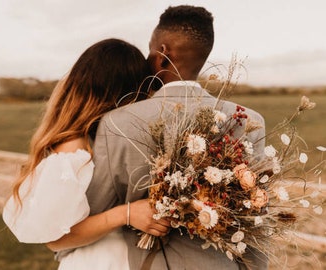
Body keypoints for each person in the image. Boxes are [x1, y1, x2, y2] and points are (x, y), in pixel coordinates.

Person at [87, 5, 268, 270]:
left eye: (150, 52)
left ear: (162, 55)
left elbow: (96, 211)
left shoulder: (117, 122)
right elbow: (256, 217)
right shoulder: (249, 121)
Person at [2, 38, 170, 270]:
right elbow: (55, 239)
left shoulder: (109, 138)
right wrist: (125, 214)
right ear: (124, 92)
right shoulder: (75, 148)